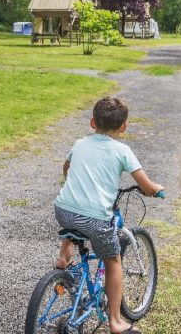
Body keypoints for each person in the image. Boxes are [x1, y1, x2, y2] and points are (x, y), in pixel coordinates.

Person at [53, 97, 163, 334]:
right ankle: (115, 321)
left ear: (93, 122)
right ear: (123, 126)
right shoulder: (123, 150)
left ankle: (64, 254)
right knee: (114, 262)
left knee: (76, 214)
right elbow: (144, 184)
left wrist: (70, 181)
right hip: (94, 219)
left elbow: (66, 168)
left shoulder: (80, 143)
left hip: (62, 209)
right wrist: (155, 189)